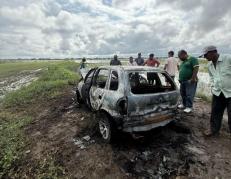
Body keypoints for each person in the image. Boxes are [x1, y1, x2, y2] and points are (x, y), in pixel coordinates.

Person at [202, 46, 231, 137]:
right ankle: (214, 130)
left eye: (206, 55)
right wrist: (213, 86)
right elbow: (211, 77)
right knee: (215, 113)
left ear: (213, 52)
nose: (205, 57)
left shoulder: (228, 58)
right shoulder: (209, 65)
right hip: (217, 93)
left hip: (230, 93)